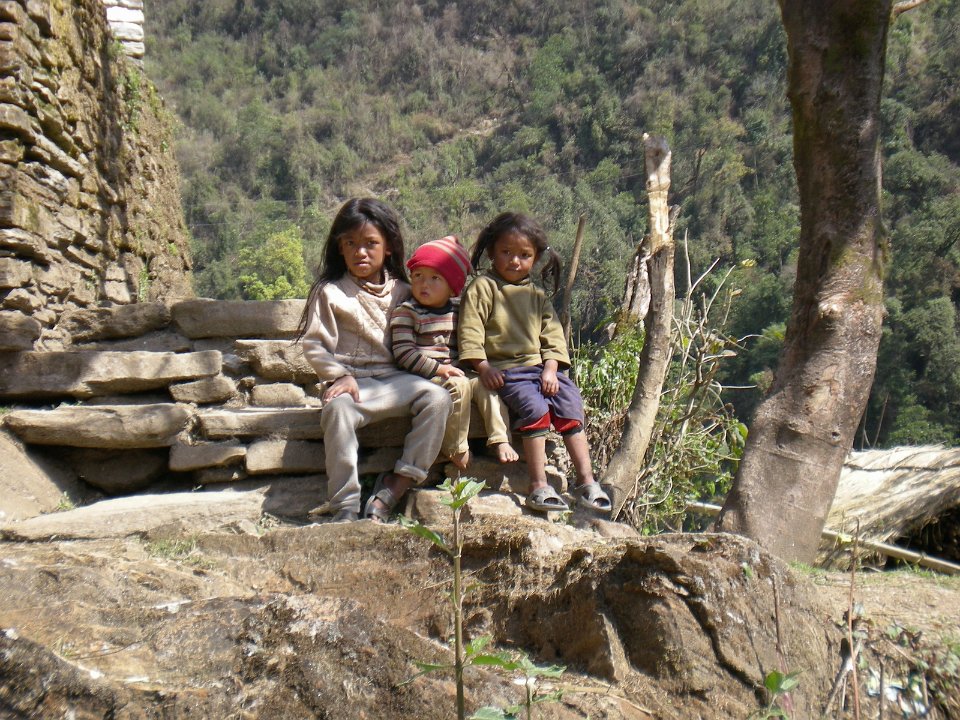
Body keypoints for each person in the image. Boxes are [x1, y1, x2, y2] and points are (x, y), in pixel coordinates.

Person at [296, 198, 452, 523]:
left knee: (438, 398)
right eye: (350, 244)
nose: (360, 252)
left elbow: (434, 326)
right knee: (337, 411)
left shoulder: (405, 292)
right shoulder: (330, 293)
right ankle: (345, 506)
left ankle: (396, 486)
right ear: (339, 248)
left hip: (397, 381)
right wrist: (338, 374)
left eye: (370, 243)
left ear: (389, 247)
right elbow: (315, 345)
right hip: (351, 384)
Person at [458, 212, 611, 513]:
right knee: (535, 408)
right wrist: (483, 367)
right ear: (492, 252)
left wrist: (551, 369)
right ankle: (538, 485)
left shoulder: (537, 295)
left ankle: (587, 481)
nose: (514, 261)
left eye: (524, 255)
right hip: (507, 371)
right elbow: (470, 331)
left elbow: (553, 336)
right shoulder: (483, 288)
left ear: (536, 258)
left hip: (540, 369)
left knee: (570, 404)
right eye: (506, 252)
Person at [390, 236, 519, 470]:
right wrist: (439, 369)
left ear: (453, 286)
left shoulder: (461, 309)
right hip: (424, 376)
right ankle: (456, 446)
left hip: (459, 371)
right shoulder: (407, 312)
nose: (424, 284)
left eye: (435, 278)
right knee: (459, 386)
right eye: (418, 276)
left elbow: (477, 335)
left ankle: (500, 438)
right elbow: (403, 352)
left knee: (486, 386)